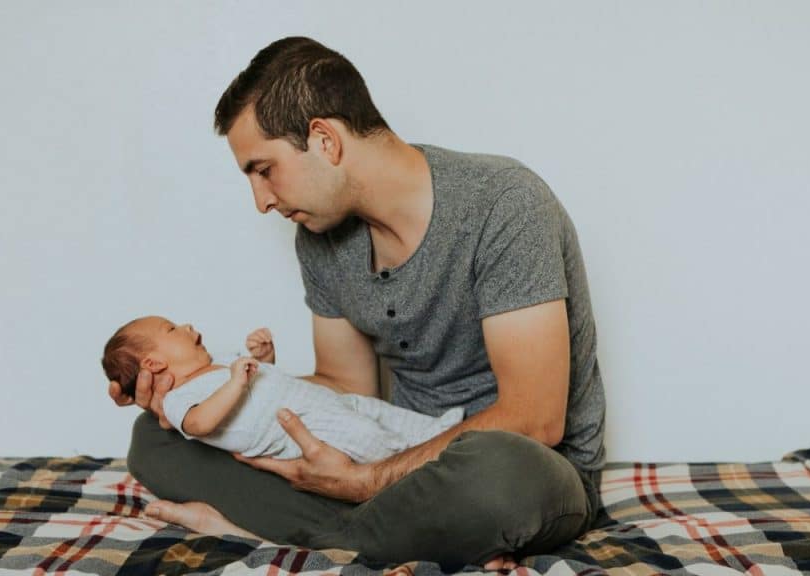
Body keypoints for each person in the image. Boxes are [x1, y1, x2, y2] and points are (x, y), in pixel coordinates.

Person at [108, 36, 606, 570]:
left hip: (518, 466)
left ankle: (288, 531)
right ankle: (353, 536)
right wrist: (204, 393)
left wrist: (365, 480)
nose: (261, 202)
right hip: (382, 458)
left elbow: (534, 419)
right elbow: (345, 389)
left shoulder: (504, 204)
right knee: (154, 441)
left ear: (323, 139)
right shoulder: (321, 240)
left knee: (502, 473)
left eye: (263, 169)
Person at [101, 316, 463, 464]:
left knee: (372, 409)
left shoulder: (220, 359)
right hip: (300, 427)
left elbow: (266, 380)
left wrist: (265, 359)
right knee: (366, 435)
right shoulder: (179, 400)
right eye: (171, 330)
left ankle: (436, 432)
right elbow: (200, 424)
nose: (188, 326)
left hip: (316, 400)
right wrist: (235, 382)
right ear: (153, 365)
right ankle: (420, 462)